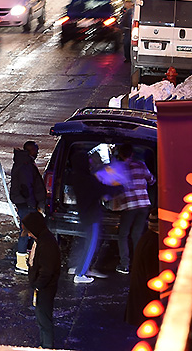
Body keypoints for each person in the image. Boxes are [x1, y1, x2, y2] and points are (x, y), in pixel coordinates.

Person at [111, 143, 156, 274]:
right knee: (137, 234)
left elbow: (113, 189)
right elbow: (152, 180)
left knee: (123, 235)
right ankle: (138, 264)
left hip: (129, 206)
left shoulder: (118, 169)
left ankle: (124, 265)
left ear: (120, 154)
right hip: (143, 204)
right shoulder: (141, 165)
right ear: (132, 154)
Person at [70, 150, 113, 283]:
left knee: (86, 244)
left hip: (85, 214)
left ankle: (81, 267)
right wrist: (120, 187)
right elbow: (102, 189)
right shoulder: (87, 179)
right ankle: (80, 274)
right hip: (92, 216)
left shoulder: (76, 177)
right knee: (91, 245)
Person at [23, 210, 61, 349]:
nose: (28, 234)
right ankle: (44, 345)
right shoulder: (42, 240)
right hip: (42, 287)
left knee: (44, 320)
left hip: (45, 288)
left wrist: (38, 285)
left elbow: (47, 270)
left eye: (29, 231)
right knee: (41, 319)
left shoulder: (47, 244)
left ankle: (47, 346)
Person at [10, 140, 46, 273]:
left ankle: (26, 260)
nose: (37, 152)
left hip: (24, 203)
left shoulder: (24, 162)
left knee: (27, 231)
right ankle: (21, 263)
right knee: (25, 232)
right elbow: (27, 187)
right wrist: (33, 206)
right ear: (30, 150)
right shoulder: (26, 165)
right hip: (27, 204)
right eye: (35, 150)